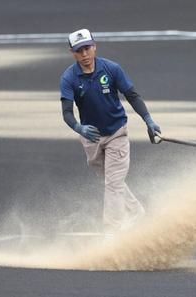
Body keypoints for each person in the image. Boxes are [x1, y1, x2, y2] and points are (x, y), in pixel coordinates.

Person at [59, 28, 161, 238]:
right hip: (91, 139)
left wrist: (148, 119)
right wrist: (79, 128)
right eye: (79, 51)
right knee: (110, 181)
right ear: (72, 52)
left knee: (113, 184)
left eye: (87, 48)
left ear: (95, 46)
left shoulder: (112, 69)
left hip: (117, 134)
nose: (85, 54)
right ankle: (136, 212)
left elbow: (132, 95)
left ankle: (112, 234)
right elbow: (67, 112)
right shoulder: (68, 78)